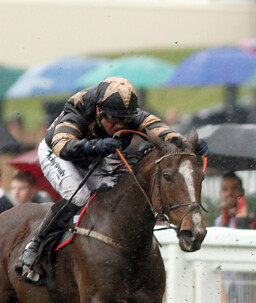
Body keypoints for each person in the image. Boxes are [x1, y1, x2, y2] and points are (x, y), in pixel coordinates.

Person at [15, 76, 208, 283]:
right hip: (57, 153)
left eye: (124, 121)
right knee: (79, 196)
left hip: (94, 154)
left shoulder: (127, 114)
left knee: (114, 190)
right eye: (113, 120)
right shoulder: (77, 110)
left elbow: (161, 130)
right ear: (99, 111)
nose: (118, 126)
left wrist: (186, 143)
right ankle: (35, 245)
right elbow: (63, 146)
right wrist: (95, 146)